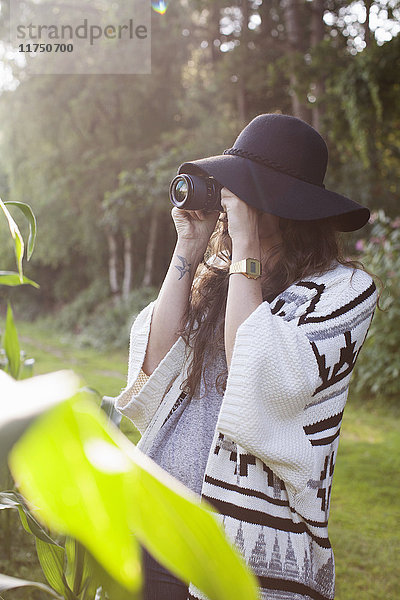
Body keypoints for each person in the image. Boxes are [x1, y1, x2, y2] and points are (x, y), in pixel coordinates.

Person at [114, 113, 378, 600]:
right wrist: (188, 249)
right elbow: (153, 366)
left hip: (240, 541)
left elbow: (253, 376)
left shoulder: (343, 290)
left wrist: (247, 247)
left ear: (288, 204)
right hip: (154, 516)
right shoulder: (219, 273)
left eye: (246, 189)